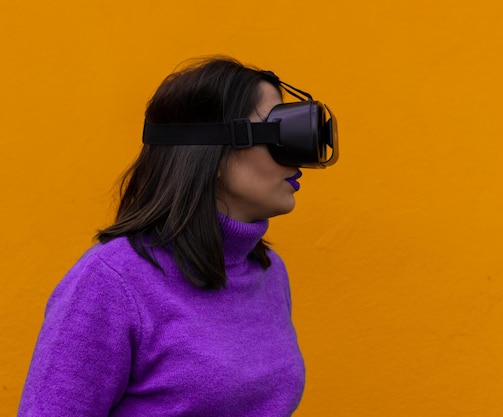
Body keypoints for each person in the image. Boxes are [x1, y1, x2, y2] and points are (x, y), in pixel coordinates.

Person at [18, 56, 338, 417]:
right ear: (215, 155)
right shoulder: (111, 281)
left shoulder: (268, 273)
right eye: (282, 133)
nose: (300, 162)